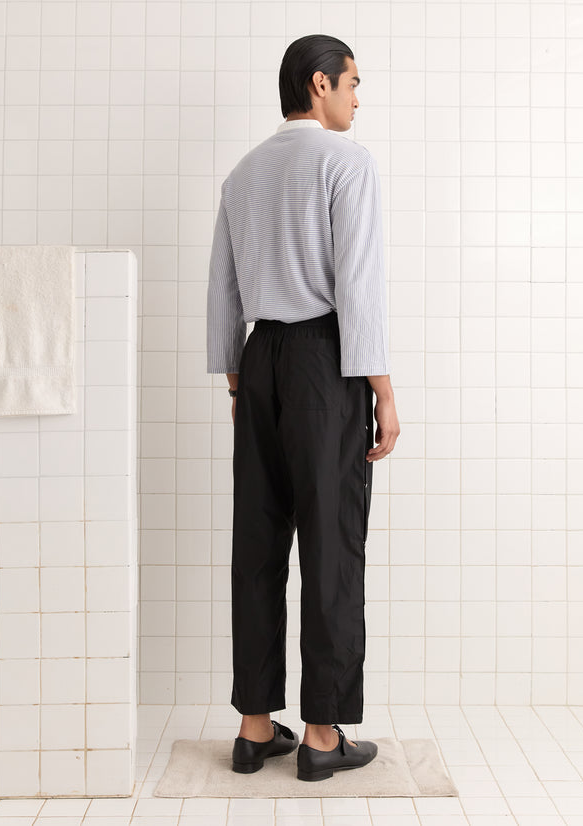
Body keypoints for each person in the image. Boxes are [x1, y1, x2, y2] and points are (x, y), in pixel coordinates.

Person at [206, 33, 399, 782]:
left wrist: (235, 381)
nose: (357, 97)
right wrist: (380, 389)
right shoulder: (346, 161)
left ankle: (256, 728)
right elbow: (358, 283)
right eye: (352, 83)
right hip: (327, 362)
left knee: (256, 543)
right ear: (319, 85)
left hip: (258, 362)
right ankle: (321, 737)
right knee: (330, 543)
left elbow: (222, 287)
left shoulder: (243, 173)